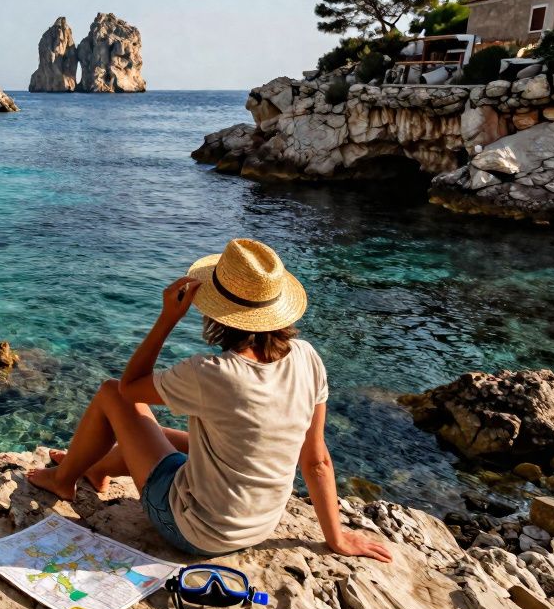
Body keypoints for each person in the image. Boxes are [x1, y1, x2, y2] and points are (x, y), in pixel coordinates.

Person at [27, 239, 392, 562]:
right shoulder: (307, 356)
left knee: (110, 393)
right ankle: (98, 466)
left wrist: (167, 318)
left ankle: (63, 478)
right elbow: (317, 461)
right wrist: (337, 538)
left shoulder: (211, 372)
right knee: (178, 438)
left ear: (215, 308)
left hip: (191, 530)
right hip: (259, 526)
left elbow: (129, 388)